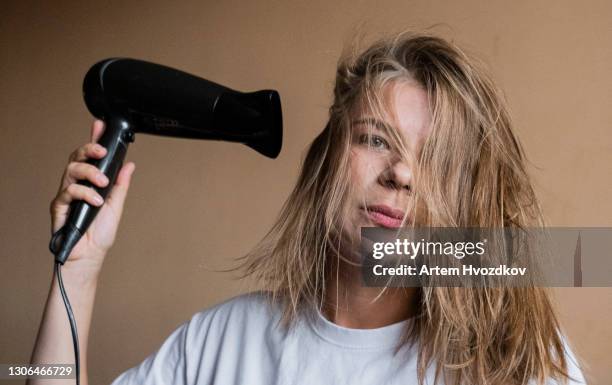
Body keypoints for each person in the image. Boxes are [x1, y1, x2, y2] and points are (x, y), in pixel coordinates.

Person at [29, 31, 588, 385]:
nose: (402, 174)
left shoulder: (515, 362)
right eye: (375, 140)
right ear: (326, 158)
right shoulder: (220, 342)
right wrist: (76, 276)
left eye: (437, 161)